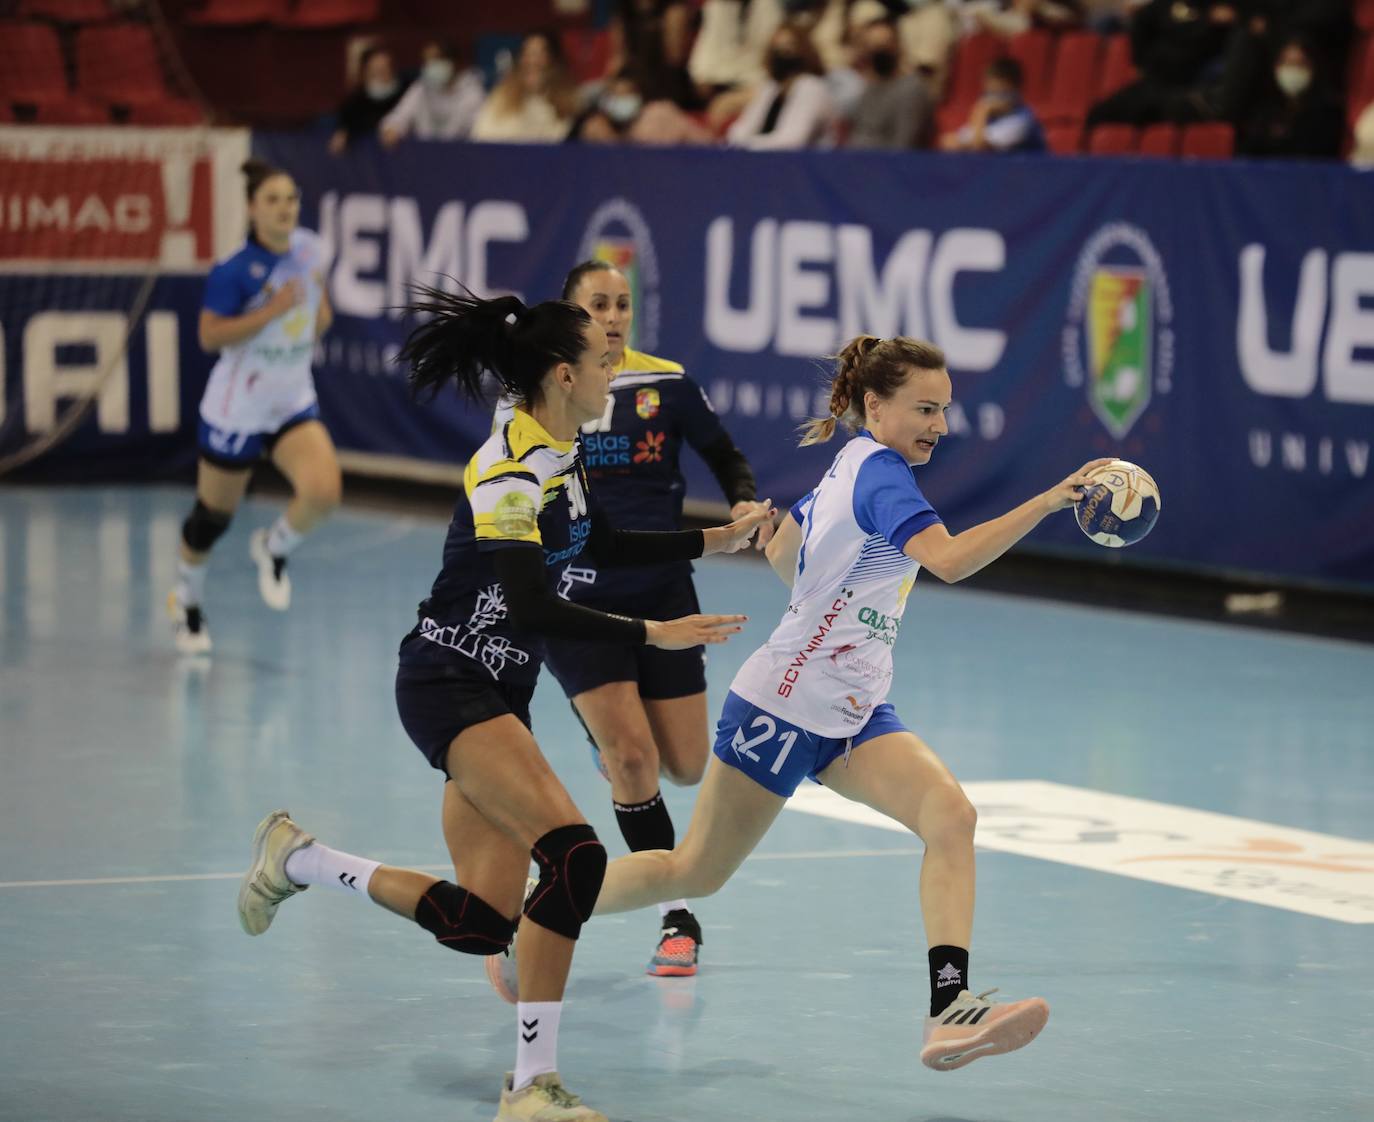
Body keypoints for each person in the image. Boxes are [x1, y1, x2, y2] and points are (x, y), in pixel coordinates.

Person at [235, 288, 773, 1121]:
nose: (615, 371)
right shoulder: (509, 467)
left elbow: (598, 540)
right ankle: (531, 1086)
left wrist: (713, 540)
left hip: (497, 692)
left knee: (485, 923)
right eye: (602, 361)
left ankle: (297, 859)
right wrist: (653, 631)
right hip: (449, 680)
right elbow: (529, 605)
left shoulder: (566, 449)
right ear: (564, 374)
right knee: (576, 857)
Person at [512, 335, 1114, 1072]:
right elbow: (951, 560)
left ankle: (949, 1009)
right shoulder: (883, 477)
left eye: (944, 410)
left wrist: (821, 591)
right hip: (785, 710)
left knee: (950, 816)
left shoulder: (850, 462)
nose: (940, 426)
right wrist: (1052, 500)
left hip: (854, 710)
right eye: (925, 409)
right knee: (693, 872)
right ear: (874, 405)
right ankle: (537, 912)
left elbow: (781, 550)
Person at [499, 260, 771, 979]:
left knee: (682, 766)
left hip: (663, 588)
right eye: (598, 305)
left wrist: (742, 501)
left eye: (623, 304)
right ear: (570, 314)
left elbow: (723, 453)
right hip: (578, 596)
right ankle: (675, 916)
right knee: (633, 759)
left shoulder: (666, 383)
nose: (614, 316)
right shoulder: (541, 397)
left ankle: (614, 752)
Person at [168, 158, 338, 655]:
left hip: (290, 399)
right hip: (238, 407)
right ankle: (188, 601)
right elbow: (209, 335)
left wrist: (309, 317)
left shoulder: (310, 250)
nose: (285, 208)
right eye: (273, 200)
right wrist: (272, 311)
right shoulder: (234, 270)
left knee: (323, 493)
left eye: (291, 199)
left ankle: (273, 547)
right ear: (251, 209)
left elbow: (319, 314)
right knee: (212, 519)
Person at [727, 19, 837, 149]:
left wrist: (748, 146)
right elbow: (739, 132)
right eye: (777, 46)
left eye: (789, 45)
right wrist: (743, 144)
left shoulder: (812, 87)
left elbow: (793, 140)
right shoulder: (771, 88)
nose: (783, 51)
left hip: (806, 164)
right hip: (765, 160)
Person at [1235, 37, 1344, 160]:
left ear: (1314, 68)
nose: (1292, 70)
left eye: (1300, 63)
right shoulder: (1263, 111)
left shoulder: (1328, 114)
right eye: (1286, 63)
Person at [471, 31, 578, 143]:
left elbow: (560, 141)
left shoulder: (570, 100)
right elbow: (480, 136)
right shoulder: (502, 95)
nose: (532, 61)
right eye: (527, 53)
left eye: (540, 54)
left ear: (554, 61)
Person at [846, 16, 934, 149]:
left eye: (884, 45)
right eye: (872, 46)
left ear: (898, 45)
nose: (878, 52)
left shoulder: (911, 89)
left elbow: (903, 146)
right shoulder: (867, 88)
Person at [379, 40, 485, 146]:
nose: (430, 66)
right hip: (425, 154)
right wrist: (392, 128)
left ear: (453, 62)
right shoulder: (421, 88)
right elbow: (399, 116)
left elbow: (476, 133)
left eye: (436, 60)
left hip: (460, 155)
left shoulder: (473, 93)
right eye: (426, 61)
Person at [940, 57, 1046, 152]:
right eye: (990, 92)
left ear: (1016, 90)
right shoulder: (991, 117)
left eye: (1000, 93)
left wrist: (981, 111)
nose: (992, 98)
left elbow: (979, 147)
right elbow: (950, 142)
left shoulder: (1024, 120)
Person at [328, 45, 406, 154]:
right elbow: (345, 125)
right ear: (365, 72)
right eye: (376, 70)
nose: (382, 74)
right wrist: (344, 133)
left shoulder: (405, 93)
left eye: (385, 68)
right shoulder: (355, 100)